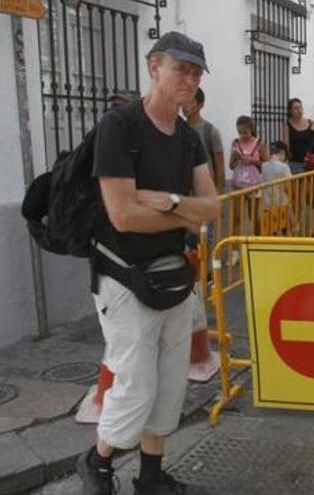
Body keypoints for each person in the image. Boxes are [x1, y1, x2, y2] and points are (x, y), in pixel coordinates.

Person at [76, 31, 219, 495]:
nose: (190, 79)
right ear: (154, 66)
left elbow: (212, 208)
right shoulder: (120, 126)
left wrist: (168, 201)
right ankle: (97, 462)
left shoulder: (190, 138)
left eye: (196, 72)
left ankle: (151, 477)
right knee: (135, 383)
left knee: (171, 381)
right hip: (123, 278)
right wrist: (183, 212)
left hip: (174, 275)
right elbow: (122, 215)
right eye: (181, 68)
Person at [182, 88, 224, 191]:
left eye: (189, 101)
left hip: (205, 188)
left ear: (201, 105)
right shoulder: (178, 129)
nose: (184, 106)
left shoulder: (210, 131)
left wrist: (218, 191)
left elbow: (220, 166)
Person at [229, 115, 267, 190]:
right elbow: (230, 166)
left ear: (251, 130)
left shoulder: (259, 143)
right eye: (239, 132)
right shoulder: (236, 143)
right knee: (239, 201)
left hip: (255, 182)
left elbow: (265, 164)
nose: (242, 135)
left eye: (245, 132)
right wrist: (234, 156)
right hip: (238, 182)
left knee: (254, 201)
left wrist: (253, 161)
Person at [282, 98, 312, 174]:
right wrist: (286, 159)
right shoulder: (287, 126)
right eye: (296, 108)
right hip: (294, 163)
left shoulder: (310, 123)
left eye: (300, 107)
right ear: (290, 111)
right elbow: (286, 145)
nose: (299, 110)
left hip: (309, 162)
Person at [261, 141, 292, 210]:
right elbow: (288, 186)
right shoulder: (284, 167)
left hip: (267, 203)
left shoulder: (263, 165)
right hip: (281, 202)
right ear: (282, 153)